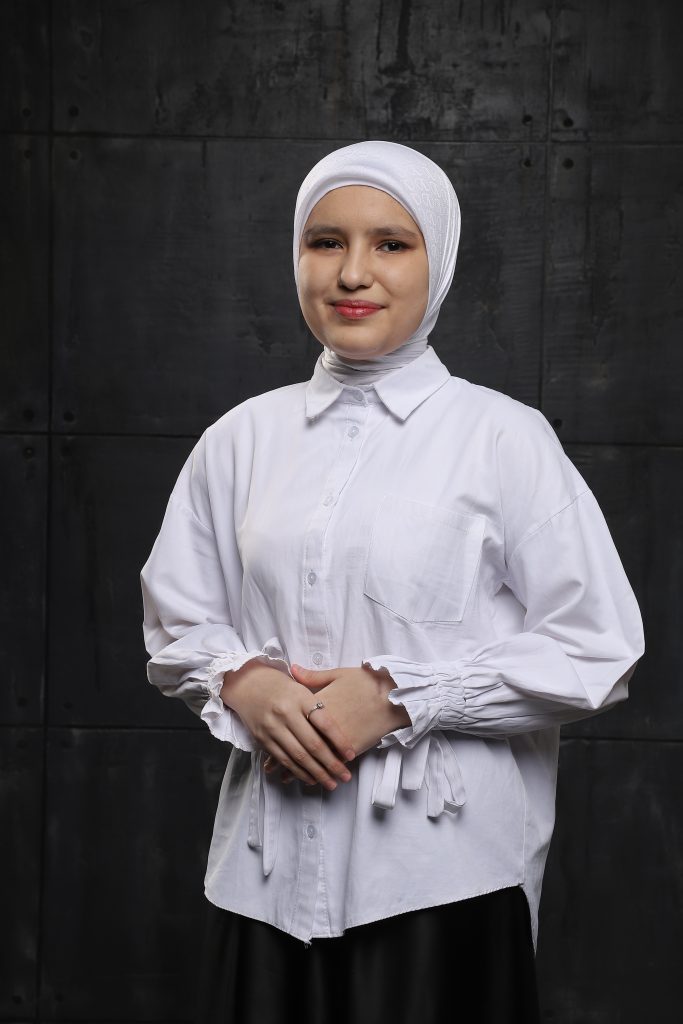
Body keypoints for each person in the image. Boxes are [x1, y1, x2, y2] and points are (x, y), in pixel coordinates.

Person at [140, 141, 644, 1024]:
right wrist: (241, 680)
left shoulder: (502, 438)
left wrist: (402, 698)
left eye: (390, 244)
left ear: (436, 259)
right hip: (263, 882)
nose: (352, 273)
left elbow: (596, 647)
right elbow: (178, 619)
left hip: (439, 886)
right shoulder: (239, 439)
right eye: (325, 241)